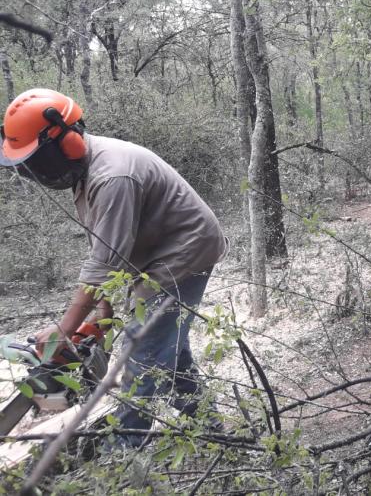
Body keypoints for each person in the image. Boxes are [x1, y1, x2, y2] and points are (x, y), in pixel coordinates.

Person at [0, 88, 228, 447]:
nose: (37, 172)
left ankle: (122, 453)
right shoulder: (86, 171)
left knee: (143, 355)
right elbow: (108, 251)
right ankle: (215, 430)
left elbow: (103, 263)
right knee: (168, 352)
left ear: (69, 142)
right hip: (155, 255)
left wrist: (64, 328)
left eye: (39, 161)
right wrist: (100, 319)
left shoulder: (113, 176)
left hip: (185, 252)